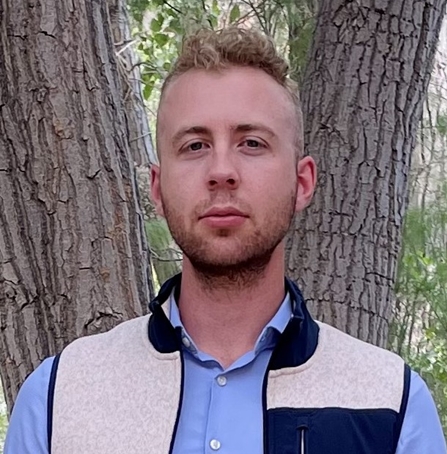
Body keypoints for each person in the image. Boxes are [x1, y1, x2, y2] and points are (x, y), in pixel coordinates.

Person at [4, 27, 446, 454]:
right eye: (194, 146)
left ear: (302, 182)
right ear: (157, 189)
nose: (221, 171)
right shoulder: (59, 399)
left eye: (251, 143)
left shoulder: (392, 405)